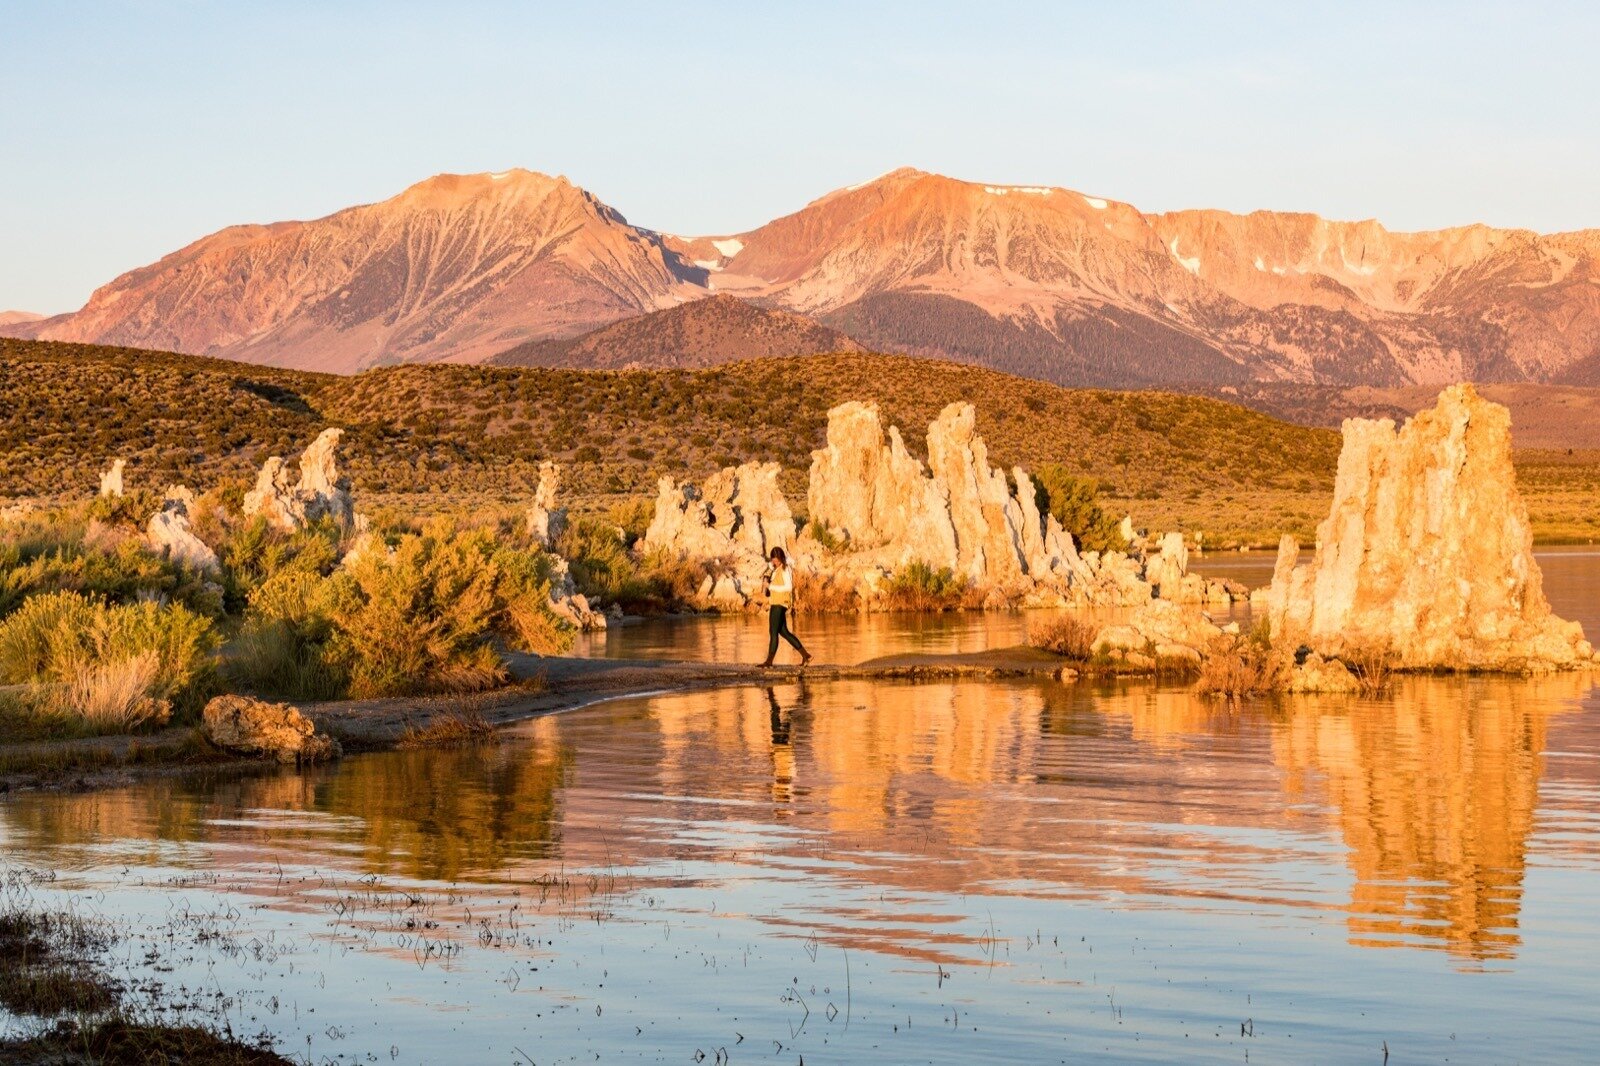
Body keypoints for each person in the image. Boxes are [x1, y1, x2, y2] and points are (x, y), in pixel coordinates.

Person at [760, 546, 812, 667]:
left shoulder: (785, 569)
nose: (775, 561)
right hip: (776, 602)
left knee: (773, 632)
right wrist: (767, 585)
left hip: (779, 604)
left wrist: (770, 586)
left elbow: (788, 587)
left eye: (777, 559)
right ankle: (806, 656)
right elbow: (770, 589)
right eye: (773, 559)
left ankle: (769, 662)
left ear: (781, 558)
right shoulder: (776, 570)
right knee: (784, 632)